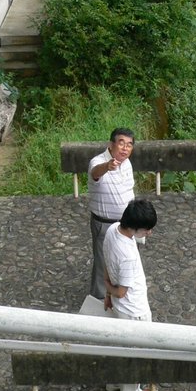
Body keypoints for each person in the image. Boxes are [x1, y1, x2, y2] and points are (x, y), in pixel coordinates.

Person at [103, 198, 158, 391]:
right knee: (136, 353)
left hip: (119, 308)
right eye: (147, 230)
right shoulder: (128, 256)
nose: (149, 233)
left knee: (120, 347)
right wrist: (110, 290)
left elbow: (107, 263)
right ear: (135, 227)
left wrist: (106, 290)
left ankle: (114, 382)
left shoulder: (112, 230)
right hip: (134, 310)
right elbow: (122, 291)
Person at [87, 128, 136, 300]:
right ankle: (97, 299)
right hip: (105, 223)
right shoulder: (98, 161)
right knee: (102, 263)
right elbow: (95, 173)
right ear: (111, 144)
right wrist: (107, 167)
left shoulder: (127, 163)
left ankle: (119, 297)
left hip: (126, 224)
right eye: (121, 143)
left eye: (129, 145)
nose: (125, 148)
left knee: (122, 261)